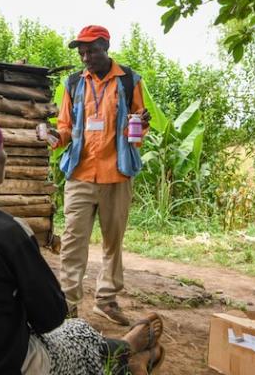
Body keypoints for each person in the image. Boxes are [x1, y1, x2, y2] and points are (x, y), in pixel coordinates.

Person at [0, 113, 164, 375]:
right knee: (80, 332)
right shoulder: (7, 230)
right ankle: (125, 356)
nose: (5, 156)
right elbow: (51, 317)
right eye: (1, 149)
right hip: (1, 367)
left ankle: (127, 354)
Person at [39, 25, 151, 326]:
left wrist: (140, 124)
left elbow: (137, 133)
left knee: (113, 242)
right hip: (81, 175)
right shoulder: (74, 83)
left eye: (92, 51)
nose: (86, 57)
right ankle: (69, 304)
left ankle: (106, 300)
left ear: (106, 47)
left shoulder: (129, 81)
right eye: (82, 52)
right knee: (74, 241)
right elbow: (64, 128)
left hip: (118, 174)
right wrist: (54, 135)